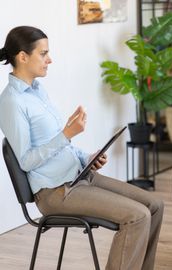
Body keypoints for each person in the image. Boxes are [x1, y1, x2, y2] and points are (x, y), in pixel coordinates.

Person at [0, 26, 163, 270]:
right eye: (43, 54)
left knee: (154, 206)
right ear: (23, 57)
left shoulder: (37, 91)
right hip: (55, 192)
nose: (50, 59)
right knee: (137, 216)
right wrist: (66, 134)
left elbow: (58, 145)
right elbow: (26, 161)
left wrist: (88, 157)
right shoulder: (12, 102)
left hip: (78, 176)